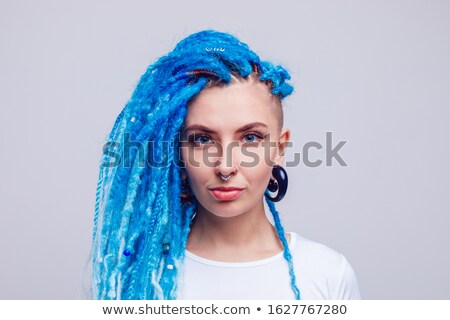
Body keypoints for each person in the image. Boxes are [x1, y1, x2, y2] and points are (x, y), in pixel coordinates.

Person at [91, 29, 361, 300]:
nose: (225, 166)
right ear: (178, 151)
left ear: (279, 148)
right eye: (202, 140)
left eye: (250, 138)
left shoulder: (327, 274)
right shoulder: (136, 278)